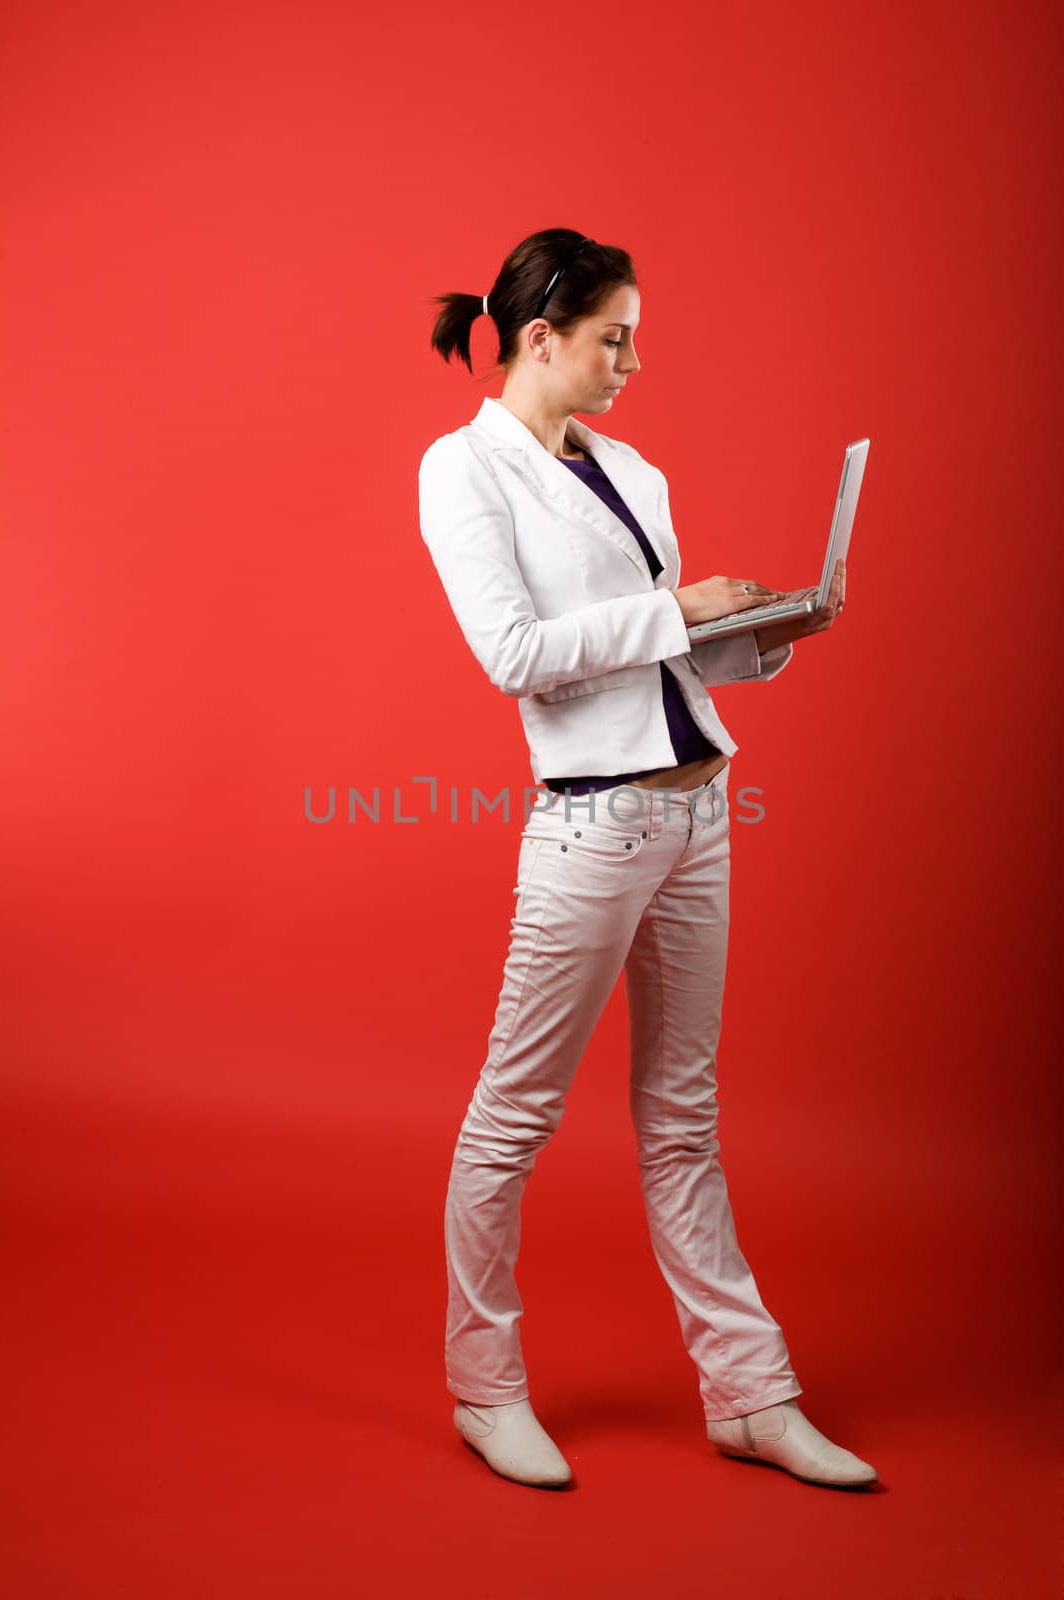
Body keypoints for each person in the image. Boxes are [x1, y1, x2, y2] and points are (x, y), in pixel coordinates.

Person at [418, 228, 875, 1492]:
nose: (630, 359)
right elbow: (517, 652)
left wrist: (769, 626)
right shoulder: (462, 471)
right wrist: (683, 606)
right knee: (513, 1117)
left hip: (698, 813)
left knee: (682, 1119)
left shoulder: (632, 468)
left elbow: (660, 658)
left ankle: (748, 1395)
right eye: (611, 336)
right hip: (590, 824)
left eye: (632, 335)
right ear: (537, 336)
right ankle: (484, 1384)